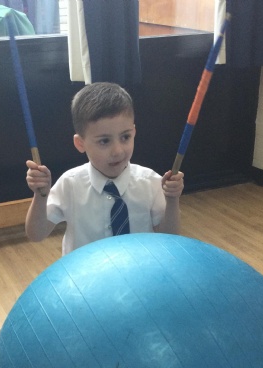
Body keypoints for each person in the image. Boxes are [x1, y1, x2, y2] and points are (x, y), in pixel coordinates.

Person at [25, 82, 184, 255]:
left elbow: (170, 237)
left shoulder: (150, 182)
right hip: (85, 271)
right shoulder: (69, 184)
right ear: (80, 143)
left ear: (134, 132)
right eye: (104, 141)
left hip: (139, 269)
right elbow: (36, 234)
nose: (118, 151)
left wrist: (172, 200)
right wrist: (40, 197)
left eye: (125, 137)